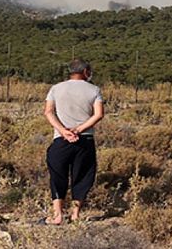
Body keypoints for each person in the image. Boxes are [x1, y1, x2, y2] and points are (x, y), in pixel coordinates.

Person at [44, 59, 104, 224]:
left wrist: (64, 131)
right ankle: (75, 213)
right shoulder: (94, 90)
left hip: (61, 139)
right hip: (85, 140)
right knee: (83, 176)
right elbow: (98, 115)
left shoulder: (56, 88)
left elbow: (48, 112)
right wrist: (78, 129)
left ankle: (57, 216)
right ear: (85, 72)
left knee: (57, 175)